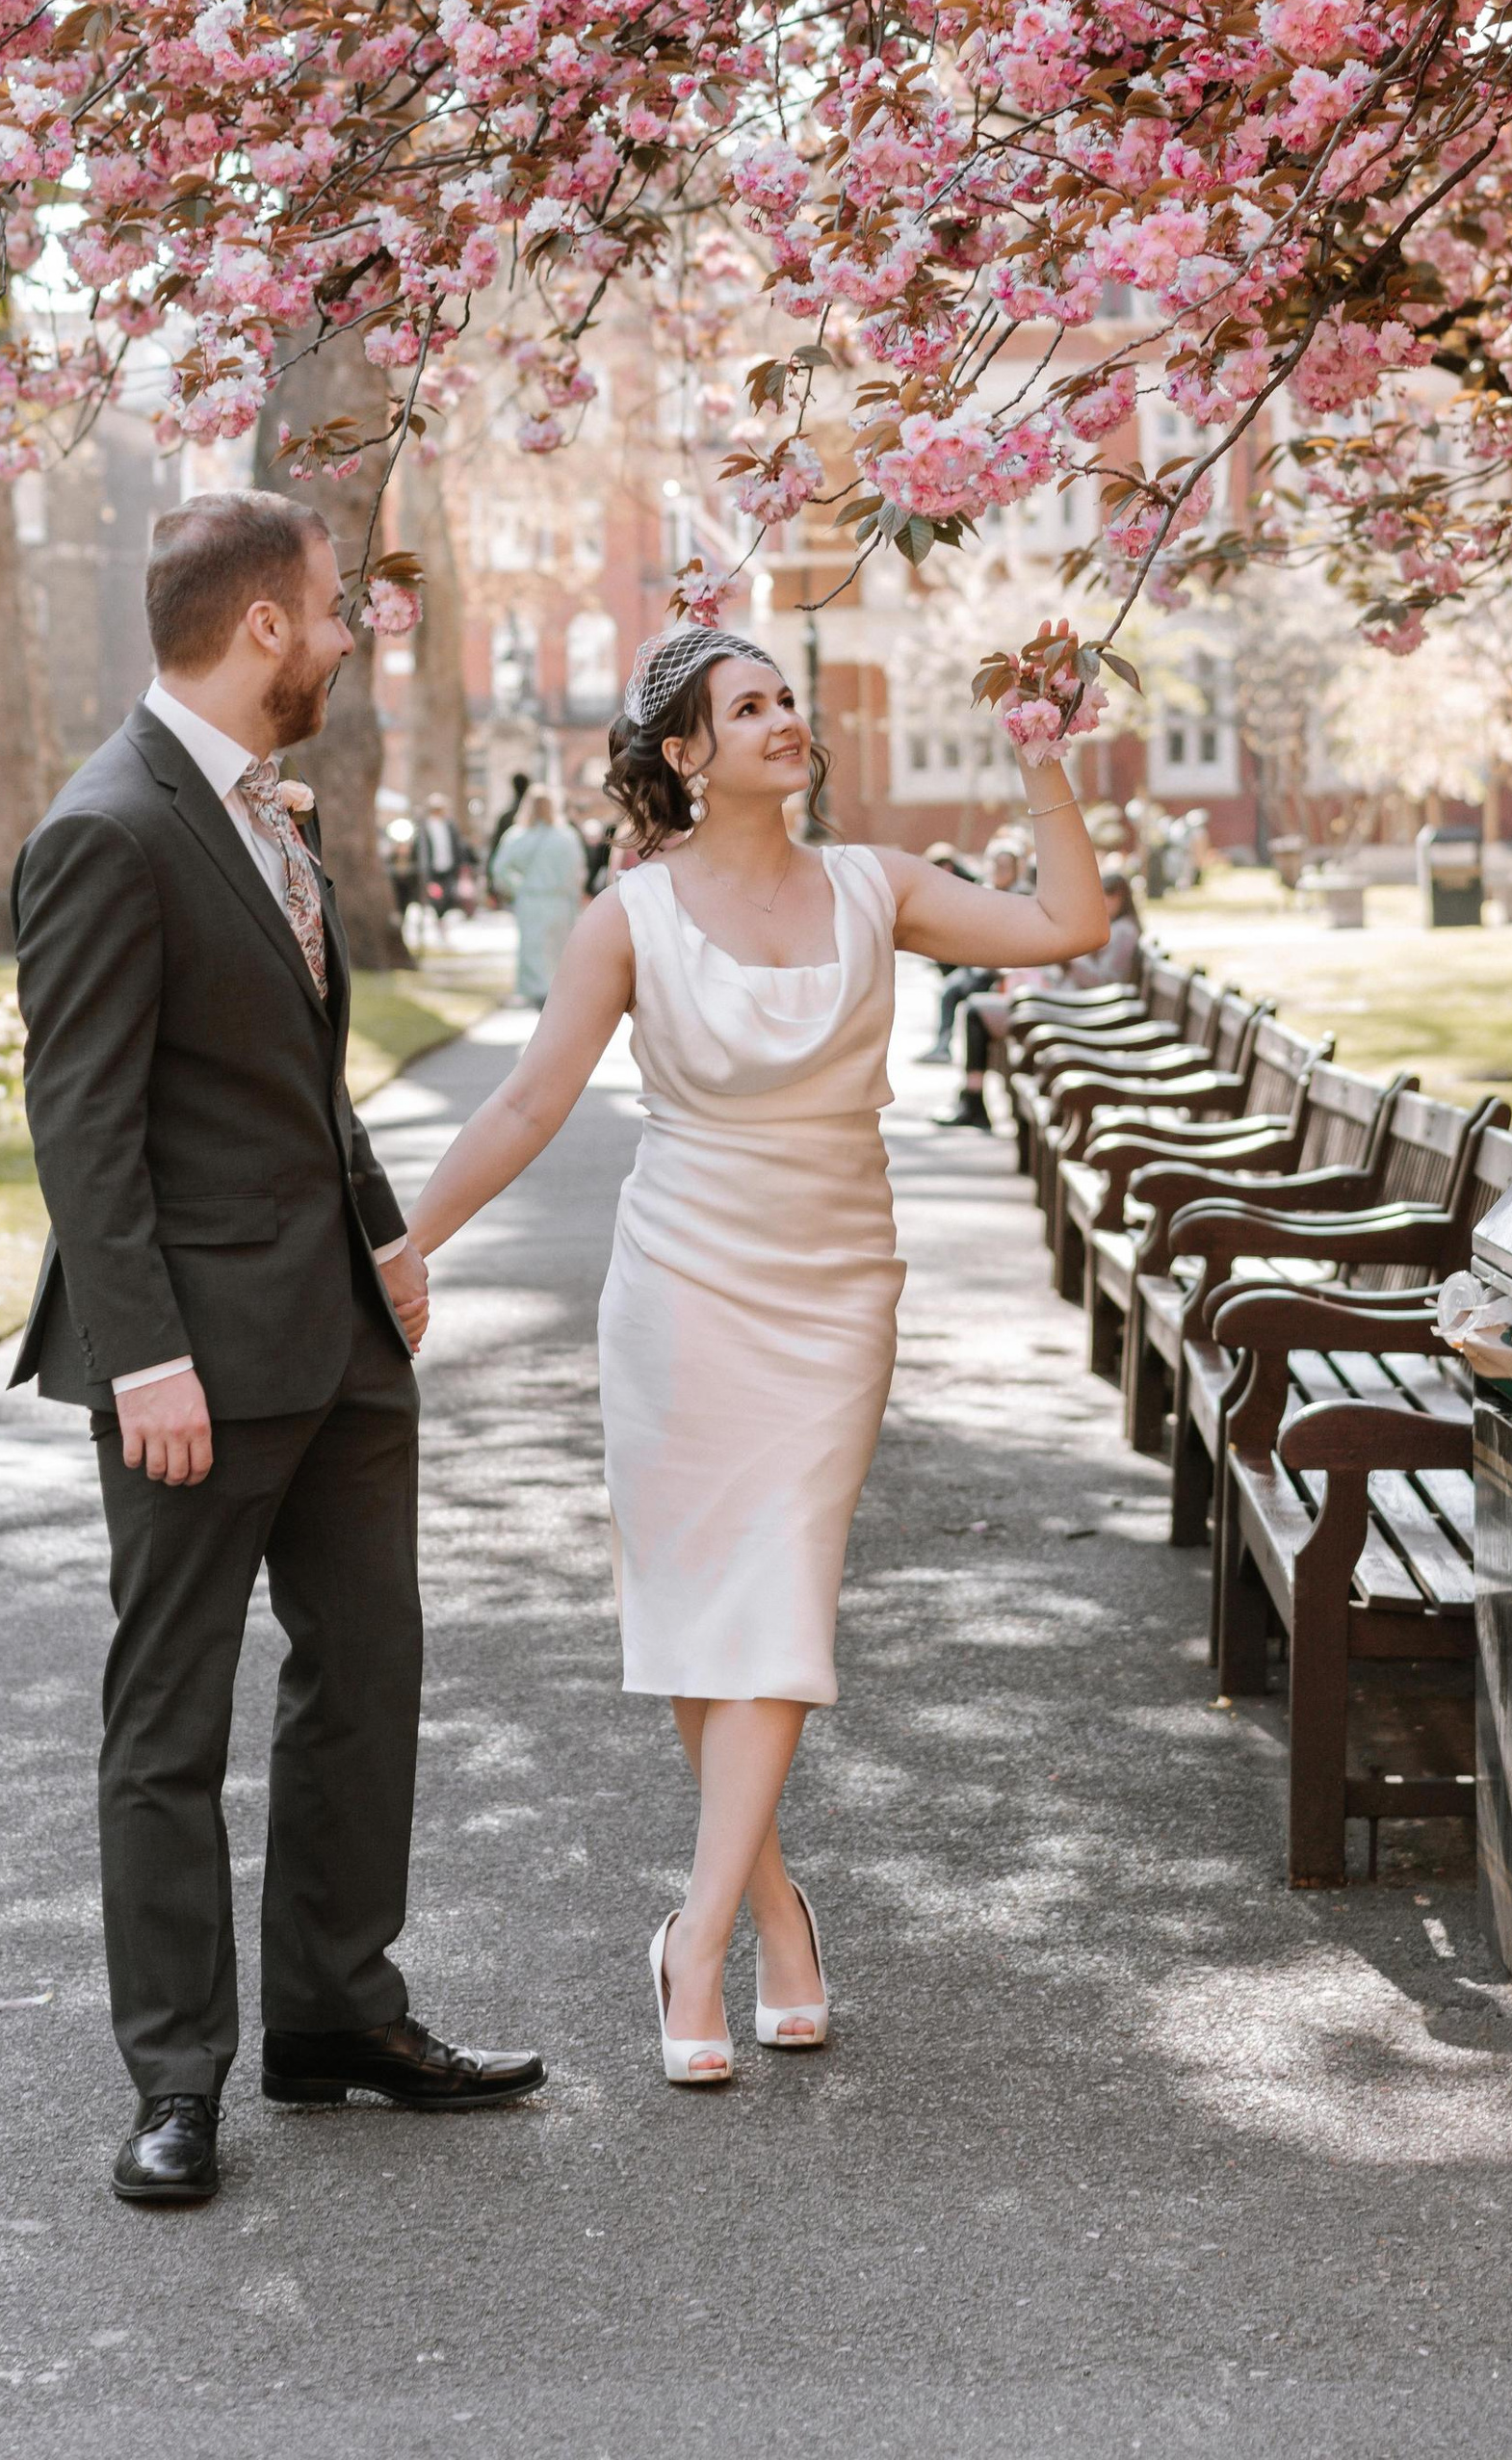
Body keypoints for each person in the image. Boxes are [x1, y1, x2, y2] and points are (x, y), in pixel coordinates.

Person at [399, 623, 1107, 2085]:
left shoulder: (877, 885)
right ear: (684, 754)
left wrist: (1043, 764)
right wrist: (413, 1243)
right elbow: (530, 1105)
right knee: (700, 1602)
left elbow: (1065, 926)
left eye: (792, 699)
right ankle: (775, 1914)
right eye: (751, 706)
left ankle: (695, 1930)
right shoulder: (627, 919)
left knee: (779, 1585)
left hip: (835, 1286)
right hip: (679, 1286)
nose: (790, 720)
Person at [10, 489, 544, 2211]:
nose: (344, 634)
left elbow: (296, 1077)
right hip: (192, 1370)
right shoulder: (108, 825)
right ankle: (177, 2078)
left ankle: (336, 2013)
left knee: (364, 1677)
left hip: (337, 1342)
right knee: (167, 1720)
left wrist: (382, 1230)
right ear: (256, 626)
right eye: (328, 610)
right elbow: (84, 1126)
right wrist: (147, 1354)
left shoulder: (261, 810)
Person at [939, 874, 1144, 1131]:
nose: (1097, 903)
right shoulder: (1114, 926)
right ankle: (972, 1100)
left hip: (1076, 1013)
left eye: (1102, 896)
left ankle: (973, 1102)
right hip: (1064, 1004)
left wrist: (1071, 955)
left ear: (1119, 897)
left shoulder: (1123, 931)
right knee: (980, 1004)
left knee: (975, 1012)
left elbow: (1106, 983)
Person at [917, 836, 1027, 1061]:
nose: (1000, 871)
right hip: (980, 967)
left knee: (970, 1004)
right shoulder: (982, 891)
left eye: (1006, 866)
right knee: (950, 989)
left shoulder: (1023, 897)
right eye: (997, 865)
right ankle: (942, 1045)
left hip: (1009, 971)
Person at [490, 783, 587, 1005]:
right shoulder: (567, 837)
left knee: (534, 949)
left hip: (532, 899)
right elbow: (578, 872)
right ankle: (557, 993)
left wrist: (517, 889)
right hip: (561, 899)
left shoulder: (518, 836)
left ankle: (539, 995)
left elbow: (500, 869)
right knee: (559, 948)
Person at [413, 793, 475, 939]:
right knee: (435, 898)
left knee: (448, 896)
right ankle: (438, 921)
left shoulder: (449, 825)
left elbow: (457, 846)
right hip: (433, 870)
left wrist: (461, 864)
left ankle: (441, 921)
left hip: (448, 867)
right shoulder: (424, 827)